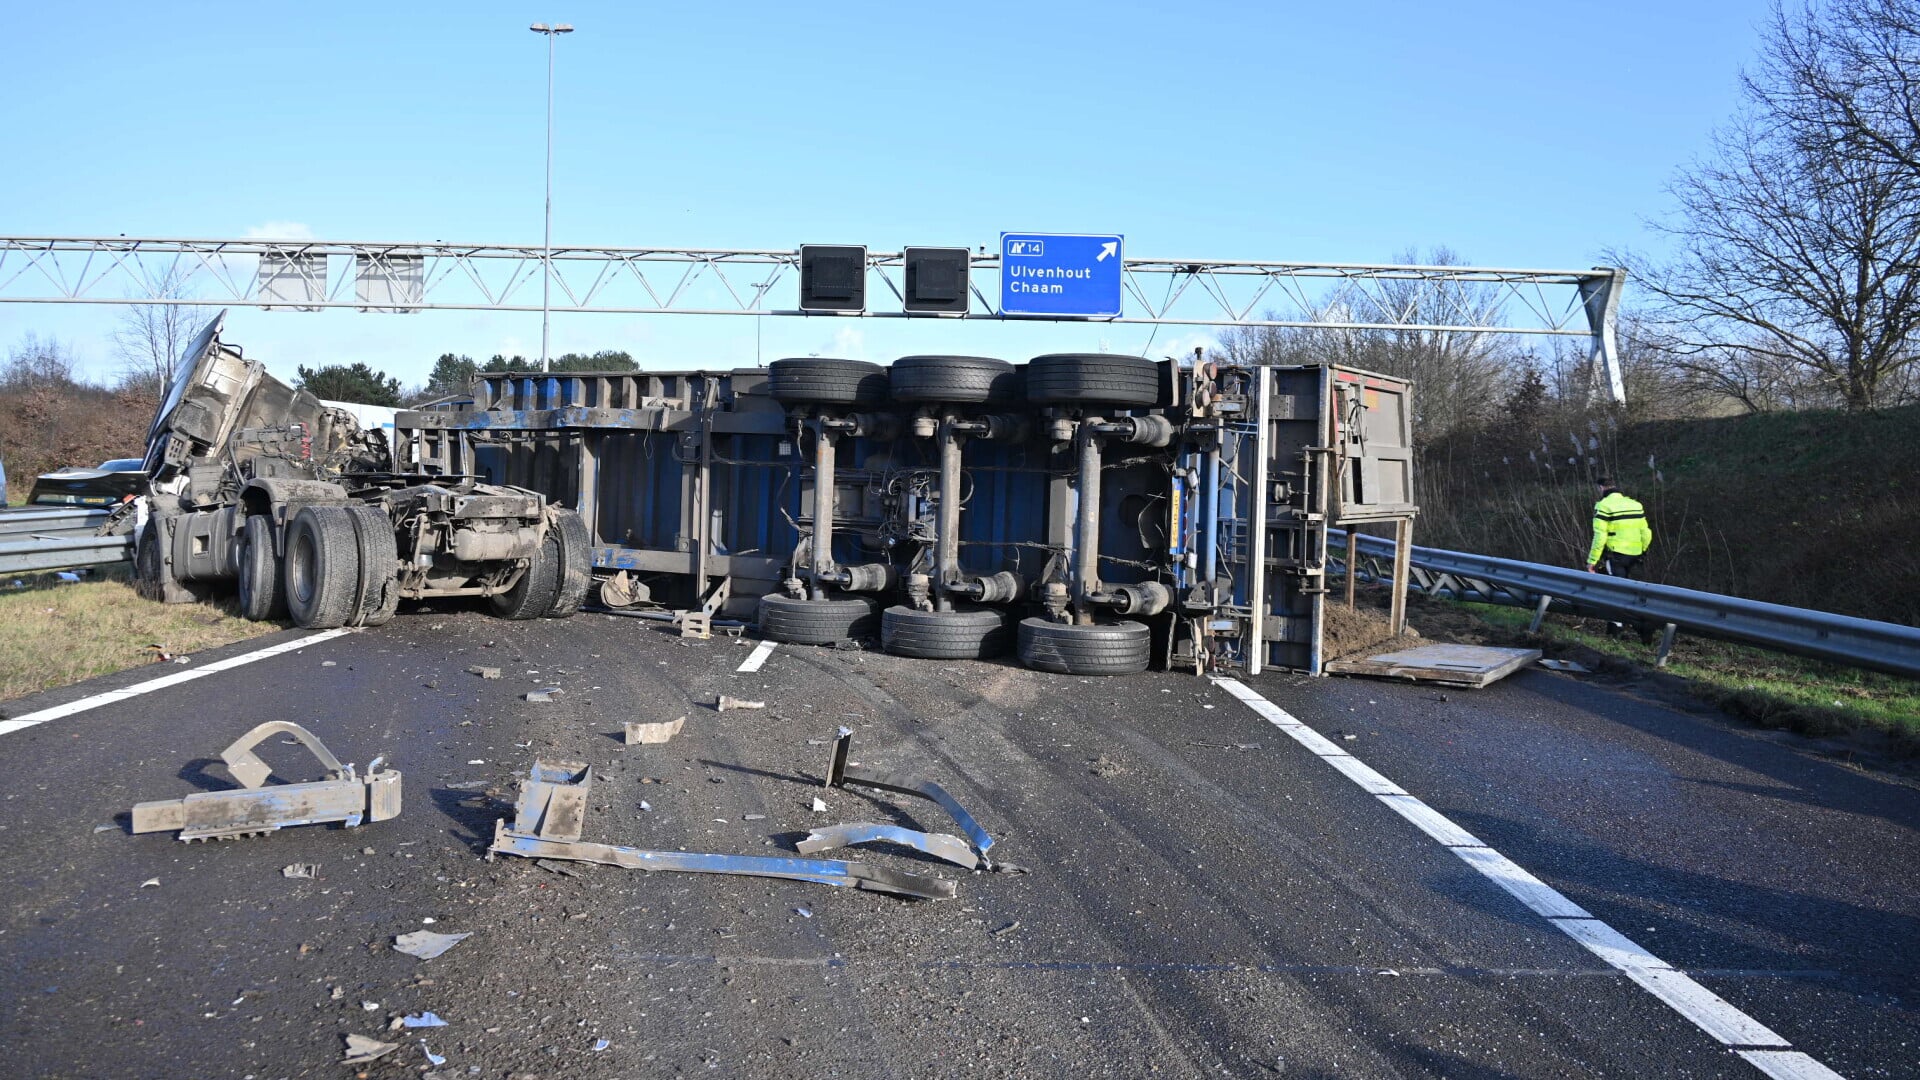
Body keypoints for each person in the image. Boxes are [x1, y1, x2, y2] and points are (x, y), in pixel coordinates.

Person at [1586, 476, 1654, 640]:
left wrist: (1592, 561)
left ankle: (1621, 629)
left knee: (1614, 593)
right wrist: (1643, 550)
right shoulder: (1635, 504)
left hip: (1616, 555)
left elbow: (1600, 537)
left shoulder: (1603, 506)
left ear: (1601, 488)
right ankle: (1638, 625)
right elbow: (1646, 532)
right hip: (1635, 554)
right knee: (1627, 591)